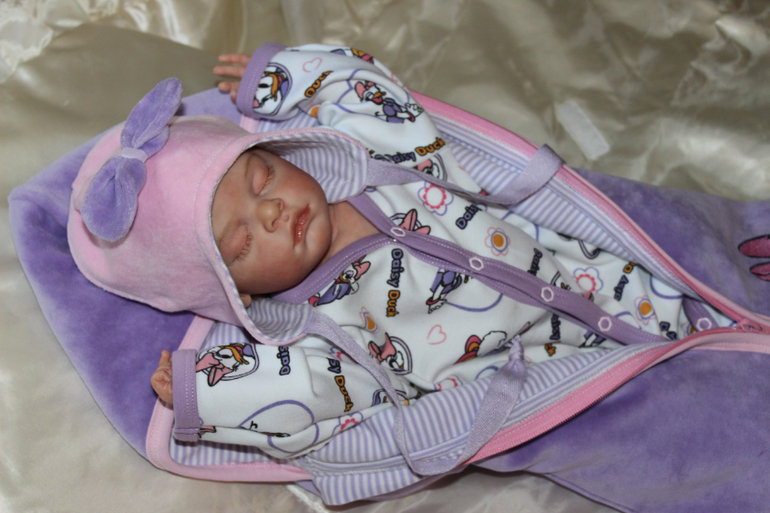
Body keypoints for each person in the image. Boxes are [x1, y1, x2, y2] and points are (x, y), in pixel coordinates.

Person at [68, 43, 731, 457]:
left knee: (709, 267)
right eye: (242, 241)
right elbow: (308, 396)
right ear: (234, 291)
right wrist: (206, 391)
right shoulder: (326, 333)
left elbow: (369, 92)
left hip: (598, 270)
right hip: (562, 379)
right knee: (702, 417)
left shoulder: (383, 163)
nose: (270, 211)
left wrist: (285, 76)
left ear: (283, 152)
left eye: (263, 176)